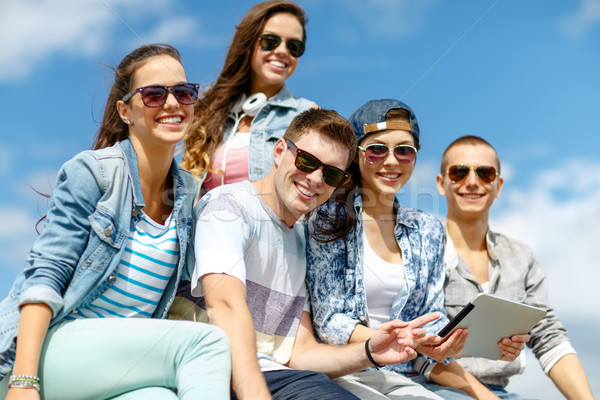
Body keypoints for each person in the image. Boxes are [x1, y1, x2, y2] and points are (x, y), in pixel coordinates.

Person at [0, 44, 231, 400]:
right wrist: (23, 382)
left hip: (119, 366)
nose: (172, 103)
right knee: (206, 344)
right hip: (48, 352)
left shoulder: (186, 191)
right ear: (126, 111)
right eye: (154, 94)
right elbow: (45, 275)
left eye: (183, 92)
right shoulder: (95, 173)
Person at [171, 108, 450, 400]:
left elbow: (301, 353)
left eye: (330, 174)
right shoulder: (229, 208)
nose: (316, 179)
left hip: (278, 374)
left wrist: (370, 351)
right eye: (306, 161)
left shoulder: (301, 241)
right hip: (209, 366)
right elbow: (225, 307)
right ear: (280, 151)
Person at [305, 99, 511, 400]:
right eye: (377, 150)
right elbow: (329, 320)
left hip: (404, 377)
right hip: (342, 373)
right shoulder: (327, 218)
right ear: (355, 156)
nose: (391, 161)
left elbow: (432, 313)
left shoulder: (427, 229)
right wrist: (402, 340)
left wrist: (445, 339)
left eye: (404, 150)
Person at [436, 135, 595, 400]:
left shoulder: (521, 257)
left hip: (502, 392)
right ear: (442, 184)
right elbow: (419, 349)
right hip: (436, 390)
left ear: (498, 186)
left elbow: (548, 336)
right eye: (459, 172)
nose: (472, 182)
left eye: (485, 173)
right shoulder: (422, 250)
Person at [181, 0, 315, 191]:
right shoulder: (209, 112)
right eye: (270, 41)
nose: (283, 51)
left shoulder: (308, 115)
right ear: (249, 42)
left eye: (294, 46)